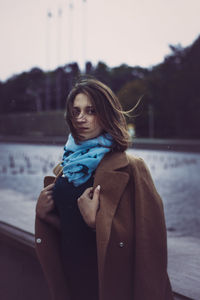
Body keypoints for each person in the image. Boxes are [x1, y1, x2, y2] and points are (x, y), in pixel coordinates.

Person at [35, 78, 174, 300]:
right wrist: (45, 215)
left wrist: (95, 222)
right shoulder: (69, 165)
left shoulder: (131, 167)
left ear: (106, 114)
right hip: (71, 282)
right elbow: (71, 226)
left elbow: (150, 242)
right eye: (76, 111)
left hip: (107, 285)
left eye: (91, 110)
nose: (81, 118)